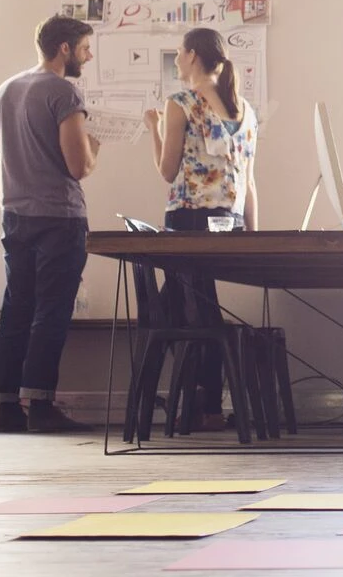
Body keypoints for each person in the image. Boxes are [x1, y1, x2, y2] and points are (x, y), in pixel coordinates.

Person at [143, 26, 260, 431]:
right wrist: (252, 234)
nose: (176, 59)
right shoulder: (245, 111)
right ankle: (201, 401)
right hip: (232, 221)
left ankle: (200, 403)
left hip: (189, 220)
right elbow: (250, 179)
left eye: (178, 52)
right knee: (191, 308)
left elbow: (168, 171)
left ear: (193, 55)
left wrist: (153, 130)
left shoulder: (181, 104)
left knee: (182, 315)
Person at [0, 15, 99, 433]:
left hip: (14, 213)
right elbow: (78, 166)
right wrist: (96, 146)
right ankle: (40, 406)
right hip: (58, 217)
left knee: (17, 309)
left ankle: (4, 406)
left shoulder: (4, 91)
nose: (87, 57)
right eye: (85, 49)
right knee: (51, 312)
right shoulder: (62, 91)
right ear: (65, 48)